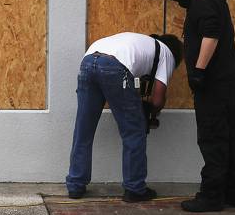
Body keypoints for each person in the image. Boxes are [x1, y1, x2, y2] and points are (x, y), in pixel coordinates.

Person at [136, 0, 235, 212]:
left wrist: (198, 70)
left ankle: (212, 196)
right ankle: (234, 192)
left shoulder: (204, 2)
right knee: (229, 136)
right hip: (230, 79)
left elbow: (211, 35)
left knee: (212, 138)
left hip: (215, 82)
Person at [65, 31, 183, 201]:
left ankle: (76, 185)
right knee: (134, 131)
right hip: (114, 66)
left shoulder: (140, 43)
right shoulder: (167, 53)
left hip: (89, 60)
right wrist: (150, 114)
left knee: (83, 130)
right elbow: (157, 99)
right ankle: (135, 188)